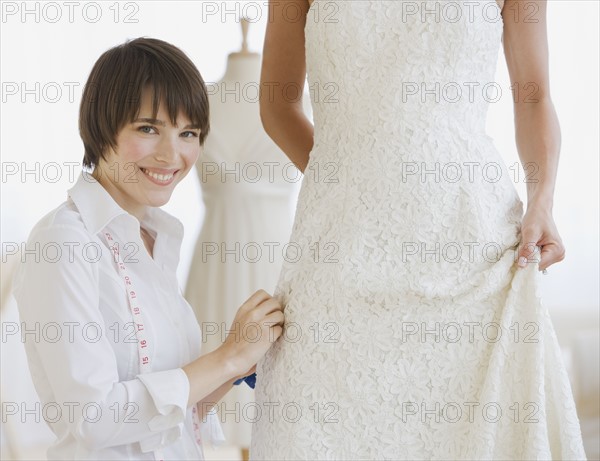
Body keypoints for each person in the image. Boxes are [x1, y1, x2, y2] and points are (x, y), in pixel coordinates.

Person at [250, 0, 587, 459]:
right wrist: (354, 182)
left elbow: (533, 95)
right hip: (338, 254)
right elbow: (277, 105)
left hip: (470, 254)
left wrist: (542, 201)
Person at [12, 37, 284, 461]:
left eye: (188, 133)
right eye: (147, 128)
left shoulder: (154, 241)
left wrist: (238, 363)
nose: (171, 155)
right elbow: (94, 419)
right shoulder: (64, 243)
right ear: (101, 126)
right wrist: (227, 357)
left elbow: (166, 419)